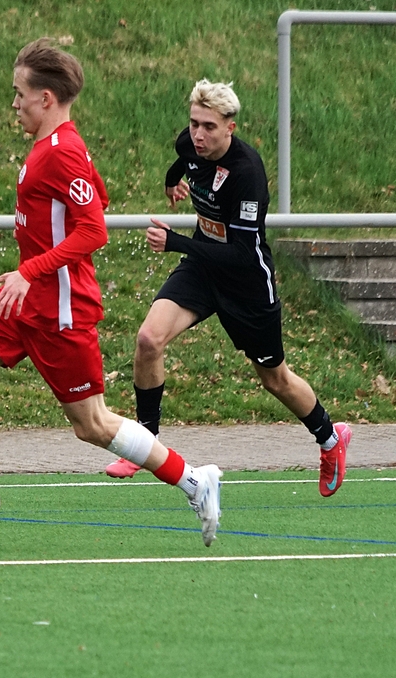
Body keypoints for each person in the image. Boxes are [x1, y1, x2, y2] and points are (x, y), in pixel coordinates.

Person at [0, 38, 223, 546]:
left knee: (92, 424)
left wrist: (31, 269)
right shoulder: (57, 146)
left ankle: (195, 481)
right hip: (22, 301)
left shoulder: (62, 151)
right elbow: (97, 195)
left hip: (60, 309)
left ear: (45, 98)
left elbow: (93, 229)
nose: (14, 103)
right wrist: (29, 272)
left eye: (19, 93)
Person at [105, 79, 350, 497]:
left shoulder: (247, 173)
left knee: (275, 379)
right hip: (202, 269)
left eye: (209, 127)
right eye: (194, 124)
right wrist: (171, 181)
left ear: (230, 128)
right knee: (148, 339)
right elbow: (182, 161)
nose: (198, 135)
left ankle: (331, 439)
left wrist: (175, 242)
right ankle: (145, 443)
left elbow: (240, 253)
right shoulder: (191, 143)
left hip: (246, 283)